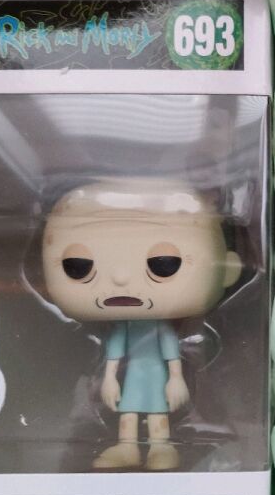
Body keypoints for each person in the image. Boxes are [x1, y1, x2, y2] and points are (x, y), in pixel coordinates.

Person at [42, 179, 242, 471]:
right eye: (79, 265)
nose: (121, 278)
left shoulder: (160, 328)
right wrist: (110, 378)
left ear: (227, 269)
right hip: (134, 374)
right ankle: (128, 447)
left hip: (154, 373)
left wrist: (176, 378)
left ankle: (161, 446)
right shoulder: (125, 328)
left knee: (156, 411)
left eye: (164, 264)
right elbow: (115, 350)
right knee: (129, 411)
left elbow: (169, 349)